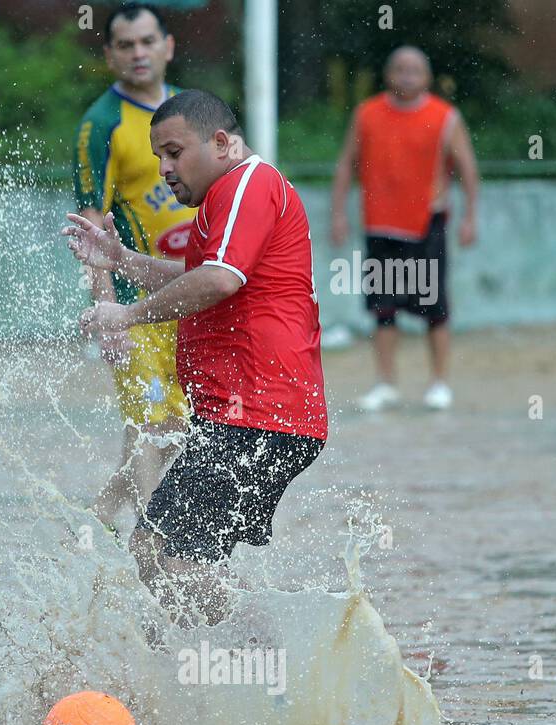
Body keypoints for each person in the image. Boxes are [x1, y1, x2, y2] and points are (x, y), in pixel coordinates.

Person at [63, 89, 327, 630]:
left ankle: (272, 660)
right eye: (158, 156)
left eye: (174, 152)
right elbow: (195, 277)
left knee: (159, 552)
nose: (164, 168)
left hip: (257, 414)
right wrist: (122, 260)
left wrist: (127, 315)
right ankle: (242, 675)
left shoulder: (249, 185)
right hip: (247, 416)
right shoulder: (224, 196)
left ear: (222, 142)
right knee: (171, 556)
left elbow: (218, 280)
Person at [72, 2, 196, 538]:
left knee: (174, 425)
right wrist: (110, 313)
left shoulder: (194, 111)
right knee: (151, 424)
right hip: (134, 301)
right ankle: (155, 540)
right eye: (126, 45)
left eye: (148, 41)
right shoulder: (101, 124)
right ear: (109, 55)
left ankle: (99, 518)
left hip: (192, 292)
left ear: (168, 46)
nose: (138, 53)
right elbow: (91, 224)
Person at [331, 45, 480, 412]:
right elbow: (346, 164)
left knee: (435, 308)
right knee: (383, 309)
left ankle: (439, 383)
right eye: (400, 68)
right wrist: (338, 214)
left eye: (415, 69)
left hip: (426, 224)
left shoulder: (445, 117)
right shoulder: (367, 114)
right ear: (388, 74)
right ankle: (385, 383)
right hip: (380, 225)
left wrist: (469, 217)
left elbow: (468, 169)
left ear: (427, 77)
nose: (407, 75)